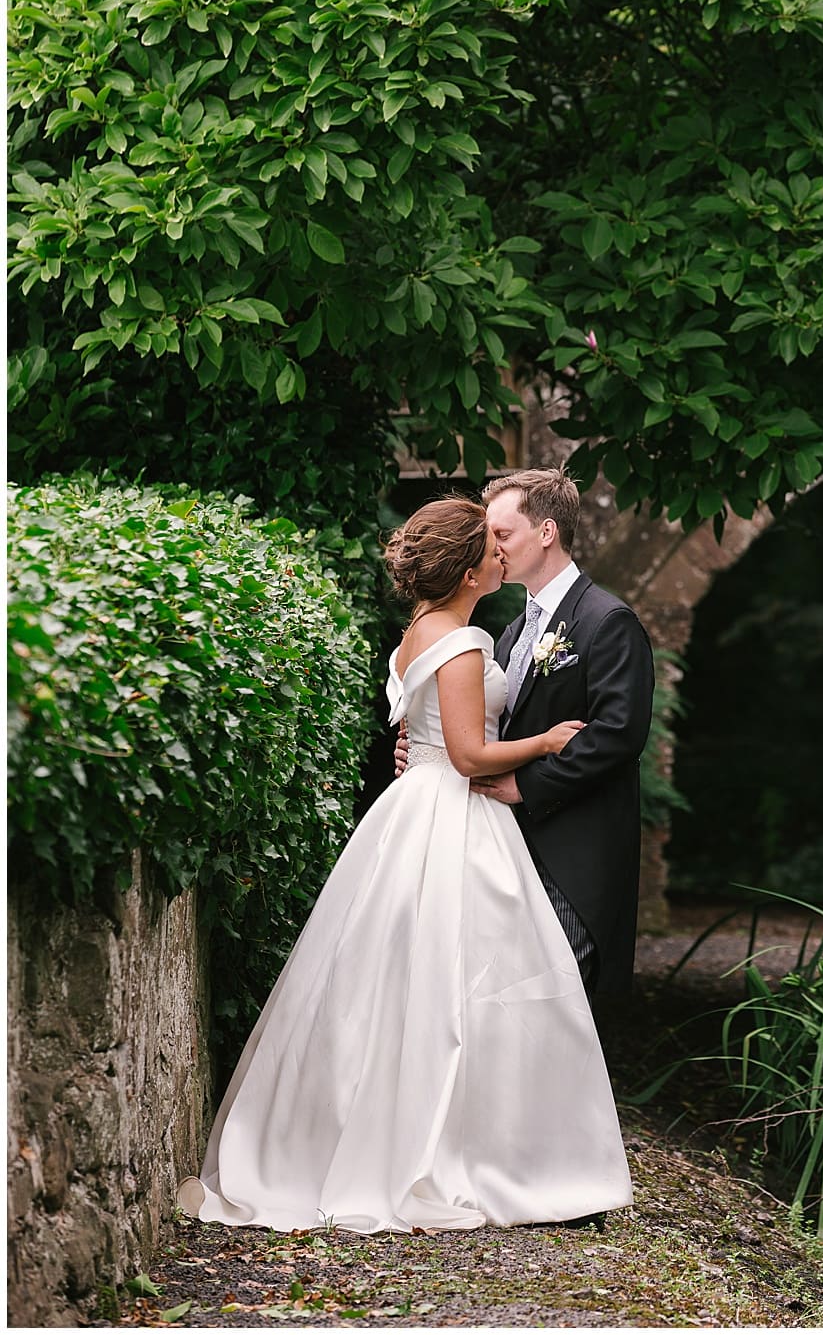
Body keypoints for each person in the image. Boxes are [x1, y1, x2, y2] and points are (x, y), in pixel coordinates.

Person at [177, 496, 633, 1234]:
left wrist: (431, 746)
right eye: (488, 544)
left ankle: (475, 1142)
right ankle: (470, 1153)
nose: (498, 553)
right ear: (466, 567)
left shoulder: (426, 630)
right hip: (454, 810)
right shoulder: (461, 639)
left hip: (422, 805)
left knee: (416, 983)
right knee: (469, 980)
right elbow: (469, 753)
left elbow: (432, 731)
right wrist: (546, 741)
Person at [398, 467, 655, 1004]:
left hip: (575, 851)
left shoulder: (608, 620)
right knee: (506, 1008)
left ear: (546, 533)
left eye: (502, 535)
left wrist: (526, 785)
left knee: (559, 1004)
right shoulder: (513, 631)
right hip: (506, 848)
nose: (492, 549)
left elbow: (617, 734)